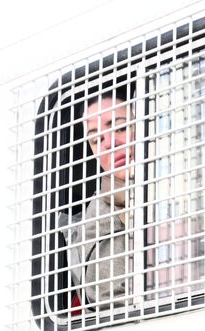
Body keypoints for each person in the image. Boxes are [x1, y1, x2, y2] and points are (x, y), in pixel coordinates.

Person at [66, 89, 134, 313]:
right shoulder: (99, 214)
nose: (109, 144)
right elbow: (109, 301)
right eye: (96, 140)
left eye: (122, 128)